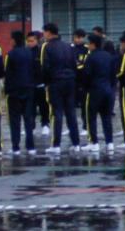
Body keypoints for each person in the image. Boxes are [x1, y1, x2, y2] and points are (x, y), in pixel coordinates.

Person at [41, 23, 80, 154]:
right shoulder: (68, 46)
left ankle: (56, 144)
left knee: (56, 113)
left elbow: (45, 67)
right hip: (70, 81)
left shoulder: (47, 47)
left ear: (49, 32)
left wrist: (46, 82)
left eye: (44, 32)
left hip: (55, 82)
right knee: (71, 113)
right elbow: (74, 64)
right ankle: (76, 143)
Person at [81, 34, 115, 152]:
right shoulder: (109, 56)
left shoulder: (91, 57)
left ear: (93, 44)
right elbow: (113, 74)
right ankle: (109, 142)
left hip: (94, 90)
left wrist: (85, 88)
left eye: (89, 43)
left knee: (91, 117)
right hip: (108, 90)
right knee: (106, 117)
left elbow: (86, 75)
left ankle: (93, 142)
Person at [5, 31, 35, 155]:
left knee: (15, 120)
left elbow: (8, 74)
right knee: (28, 119)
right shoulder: (29, 52)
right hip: (28, 88)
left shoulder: (11, 54)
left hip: (14, 91)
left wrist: (7, 90)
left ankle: (16, 146)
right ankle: (30, 146)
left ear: (15, 40)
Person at [27, 31, 50, 135]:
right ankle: (31, 126)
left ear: (37, 40)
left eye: (32, 41)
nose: (29, 43)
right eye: (28, 41)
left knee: (43, 106)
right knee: (30, 107)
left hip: (41, 83)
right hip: (30, 84)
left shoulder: (42, 51)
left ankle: (45, 124)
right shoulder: (26, 51)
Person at [72, 29, 89, 137]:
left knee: (84, 106)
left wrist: (78, 66)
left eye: (79, 37)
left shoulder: (87, 50)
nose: (77, 40)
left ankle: (85, 126)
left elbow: (86, 64)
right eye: (76, 37)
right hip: (72, 80)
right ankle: (72, 127)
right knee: (71, 105)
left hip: (83, 81)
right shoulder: (70, 49)